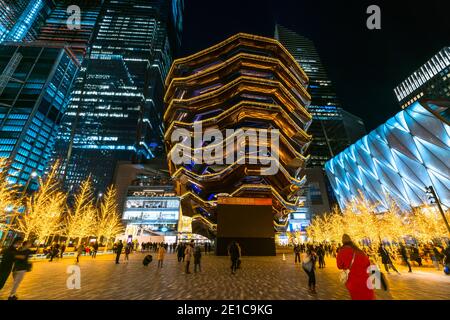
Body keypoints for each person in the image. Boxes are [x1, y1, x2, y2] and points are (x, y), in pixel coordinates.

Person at [337, 234, 375, 300]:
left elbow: (339, 266)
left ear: (343, 242)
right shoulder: (359, 251)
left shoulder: (341, 252)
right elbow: (368, 264)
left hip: (352, 282)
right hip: (365, 280)